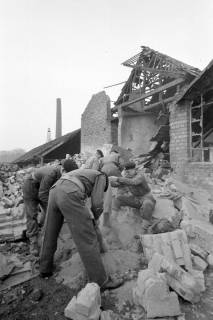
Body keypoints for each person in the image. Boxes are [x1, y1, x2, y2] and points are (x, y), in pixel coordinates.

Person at [39, 168, 123, 291]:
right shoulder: (102, 177)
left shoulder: (87, 173)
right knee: (87, 239)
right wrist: (94, 220)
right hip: (69, 192)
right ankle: (101, 281)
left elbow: (84, 200)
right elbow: (97, 203)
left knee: (50, 231)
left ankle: (44, 269)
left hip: (54, 190)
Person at [23, 159, 77, 256]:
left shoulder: (62, 175)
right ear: (63, 170)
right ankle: (33, 243)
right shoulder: (51, 173)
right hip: (30, 187)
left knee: (51, 212)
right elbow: (43, 195)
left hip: (42, 188)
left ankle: (45, 233)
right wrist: (55, 206)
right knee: (31, 215)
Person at [110, 161, 156, 234]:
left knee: (148, 204)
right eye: (126, 171)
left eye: (129, 171)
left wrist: (117, 178)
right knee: (118, 199)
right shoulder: (127, 178)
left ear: (134, 170)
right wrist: (110, 181)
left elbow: (133, 182)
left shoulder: (140, 176)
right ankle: (112, 221)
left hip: (146, 197)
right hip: (136, 199)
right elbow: (116, 184)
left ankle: (144, 228)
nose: (127, 173)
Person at [99, 149, 122, 227]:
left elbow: (100, 167)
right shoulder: (117, 155)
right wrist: (119, 170)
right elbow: (121, 165)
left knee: (107, 187)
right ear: (115, 152)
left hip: (104, 171)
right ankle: (119, 197)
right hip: (113, 169)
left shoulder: (103, 157)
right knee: (121, 183)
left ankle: (110, 193)